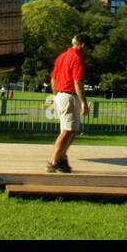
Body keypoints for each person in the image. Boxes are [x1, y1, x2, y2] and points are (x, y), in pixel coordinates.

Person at [47, 34, 91, 173]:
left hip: (60, 95)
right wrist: (84, 102)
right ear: (83, 45)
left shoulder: (62, 56)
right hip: (69, 96)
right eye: (87, 47)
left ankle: (61, 157)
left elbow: (53, 78)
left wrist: (57, 94)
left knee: (71, 130)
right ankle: (54, 162)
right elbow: (78, 82)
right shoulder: (77, 59)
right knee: (67, 131)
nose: (87, 51)